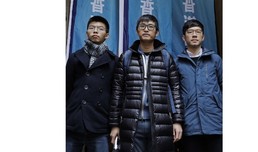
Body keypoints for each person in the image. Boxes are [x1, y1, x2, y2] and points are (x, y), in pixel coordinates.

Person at [109, 14, 184, 152]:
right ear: (137, 31)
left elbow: (175, 90)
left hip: (160, 123)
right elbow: (117, 92)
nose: (146, 29)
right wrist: (115, 124)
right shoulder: (126, 57)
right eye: (142, 26)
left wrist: (177, 121)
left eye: (150, 27)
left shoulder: (166, 57)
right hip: (132, 123)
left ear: (157, 32)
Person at [66, 16, 118, 152]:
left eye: (100, 29)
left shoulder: (113, 61)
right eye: (92, 28)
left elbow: (116, 95)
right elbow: (66, 89)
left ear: (107, 35)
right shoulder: (75, 57)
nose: (95, 31)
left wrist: (114, 124)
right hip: (74, 121)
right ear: (86, 33)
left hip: (99, 122)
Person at [175, 19, 222, 152]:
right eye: (190, 32)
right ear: (184, 37)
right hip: (190, 124)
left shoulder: (215, 59)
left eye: (198, 32)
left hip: (215, 123)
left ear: (203, 36)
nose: (194, 35)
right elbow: (174, 93)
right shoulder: (177, 62)